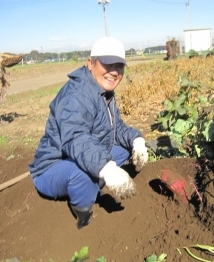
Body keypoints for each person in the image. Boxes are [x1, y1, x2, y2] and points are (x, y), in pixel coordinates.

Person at [28, 36, 148, 229]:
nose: (113, 72)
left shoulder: (104, 92)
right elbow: (76, 137)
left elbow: (117, 129)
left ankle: (95, 177)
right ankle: (83, 214)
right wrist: (107, 169)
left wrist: (137, 141)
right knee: (82, 173)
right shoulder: (77, 94)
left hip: (84, 155)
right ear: (90, 63)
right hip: (53, 167)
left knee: (125, 148)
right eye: (107, 64)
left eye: (119, 66)